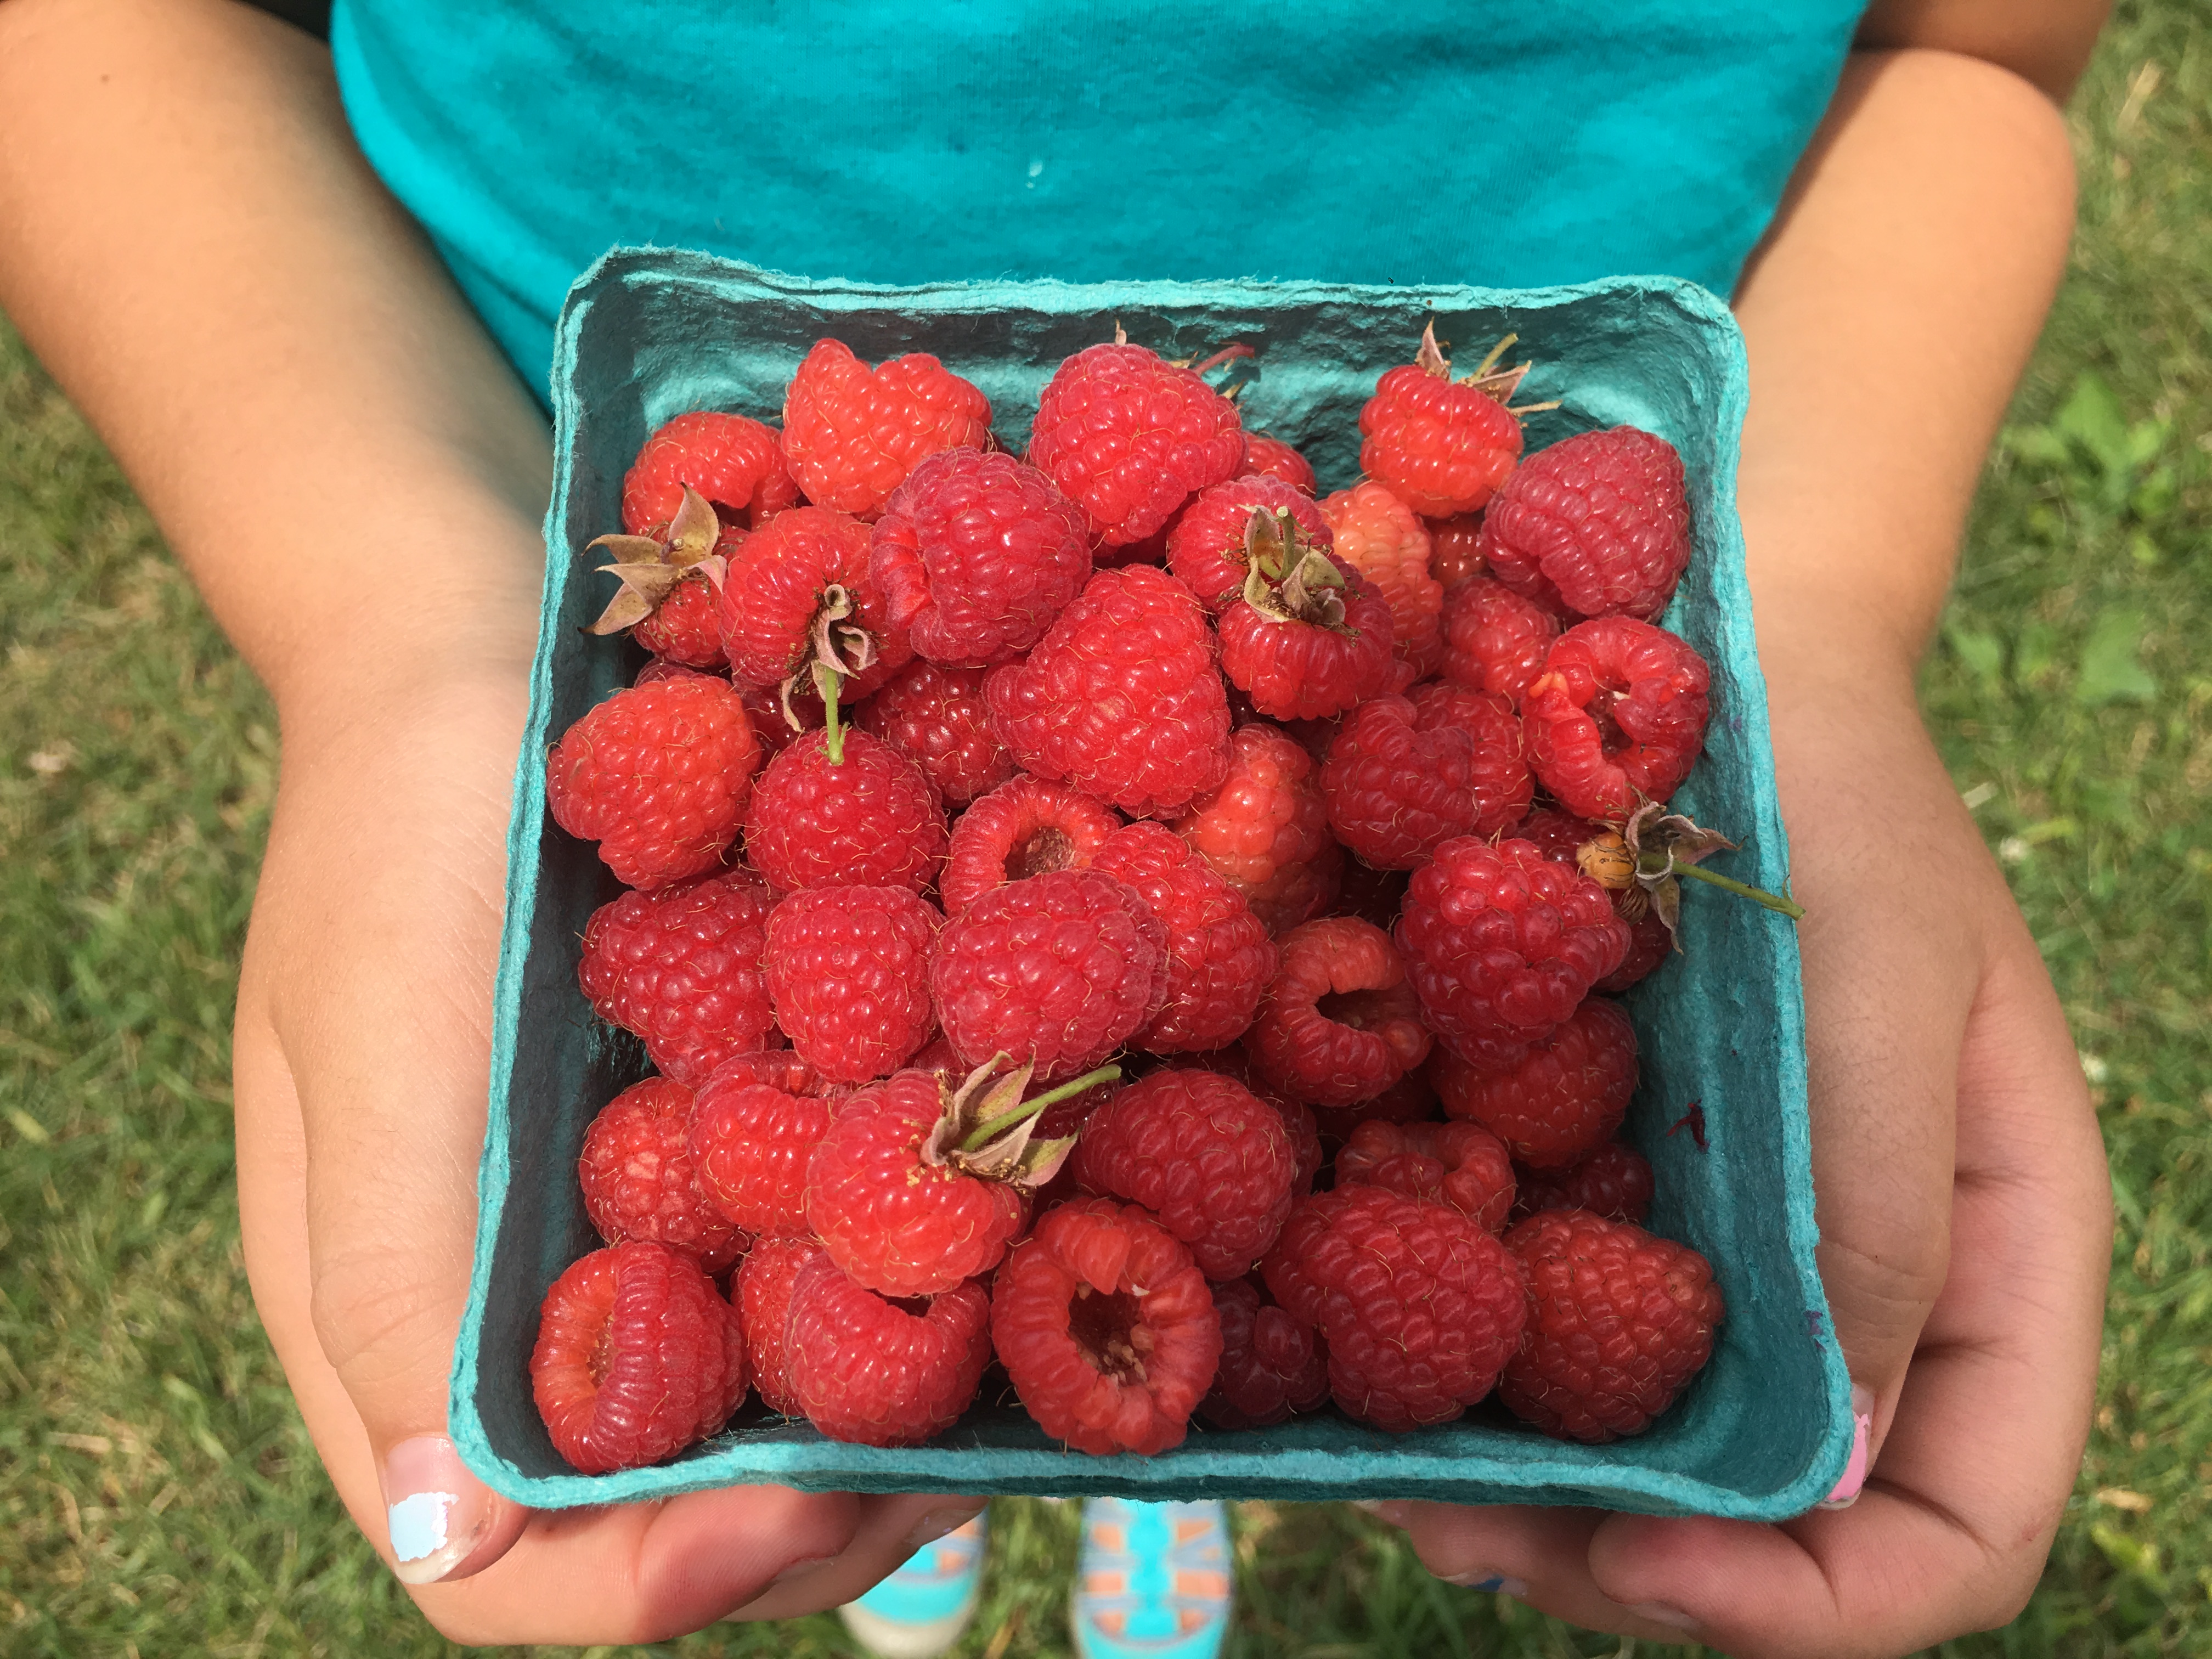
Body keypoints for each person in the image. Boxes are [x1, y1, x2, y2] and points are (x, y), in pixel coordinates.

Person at [0, 0, 2113, 1653]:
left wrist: (1812, 612)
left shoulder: (1334, 735)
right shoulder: (911, 721)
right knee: (1072, 1282)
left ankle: (1110, 1486)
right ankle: (973, 1470)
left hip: (1328, 677)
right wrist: (398, 618)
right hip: (600, 479)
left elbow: (1975, 52)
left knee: (1186, 1291)